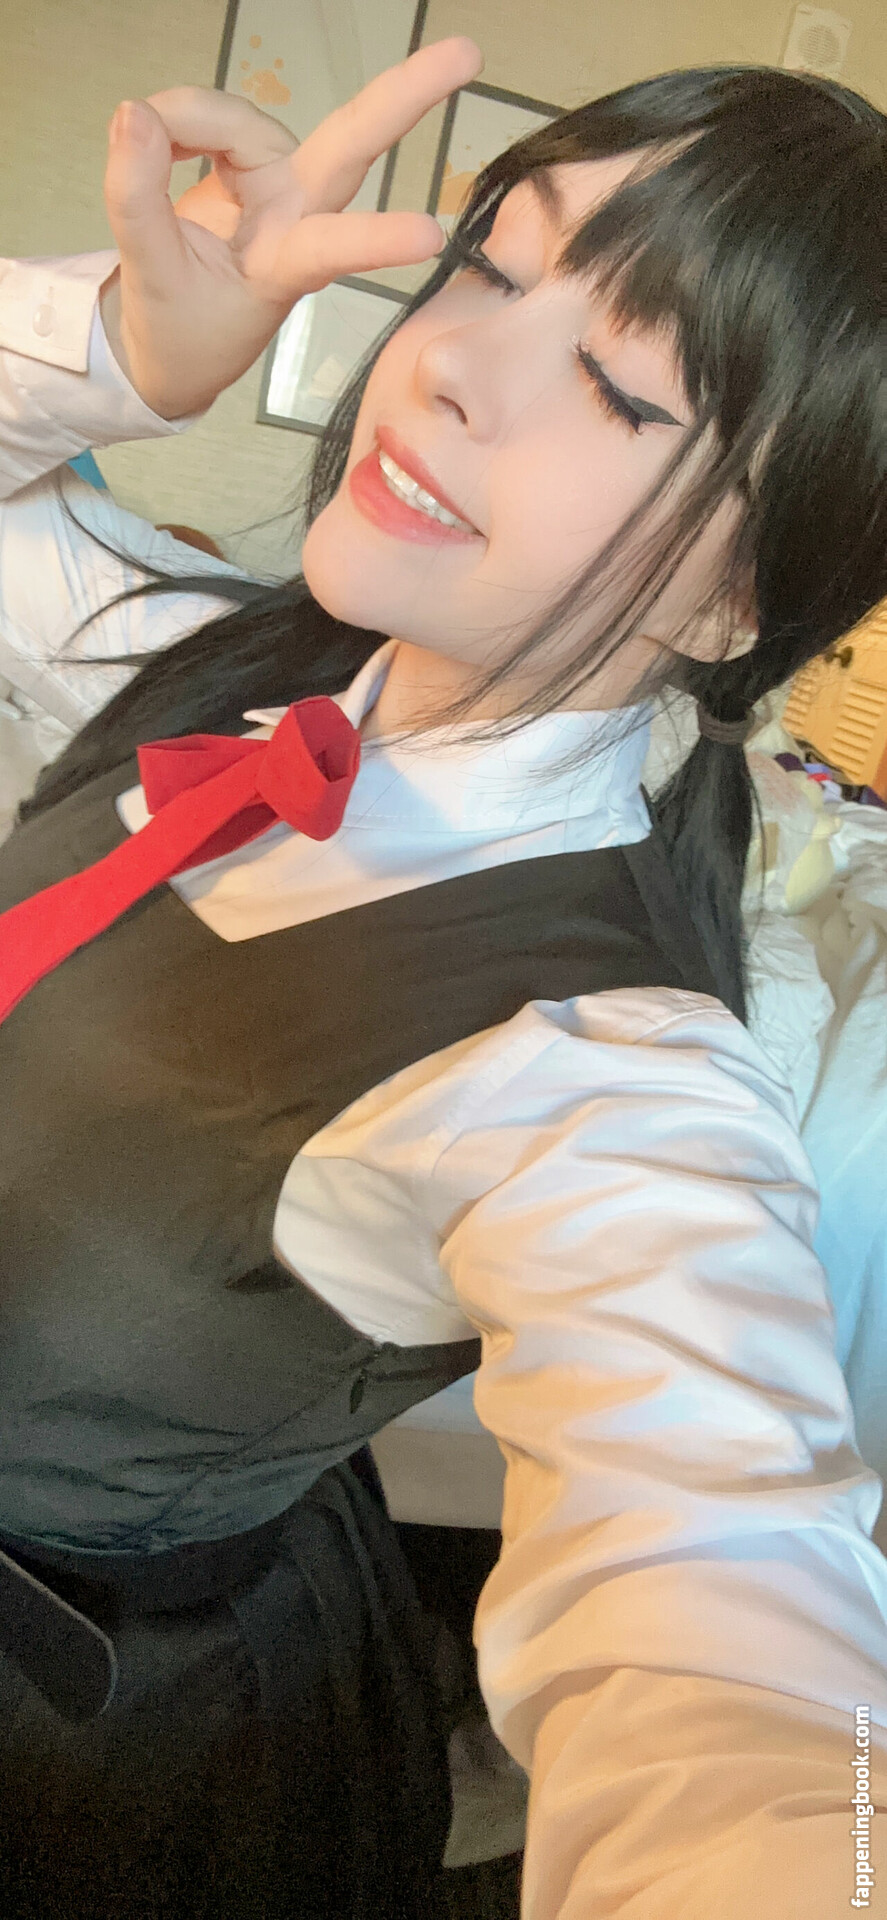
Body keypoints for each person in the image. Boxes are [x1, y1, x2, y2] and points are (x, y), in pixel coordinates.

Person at [0, 33, 885, 1920]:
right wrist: (131, 357)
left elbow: (731, 1603)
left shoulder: (602, 1072)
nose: (451, 364)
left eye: (623, 387)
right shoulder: (213, 656)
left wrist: (837, 1845)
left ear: (738, 600)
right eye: (495, 260)